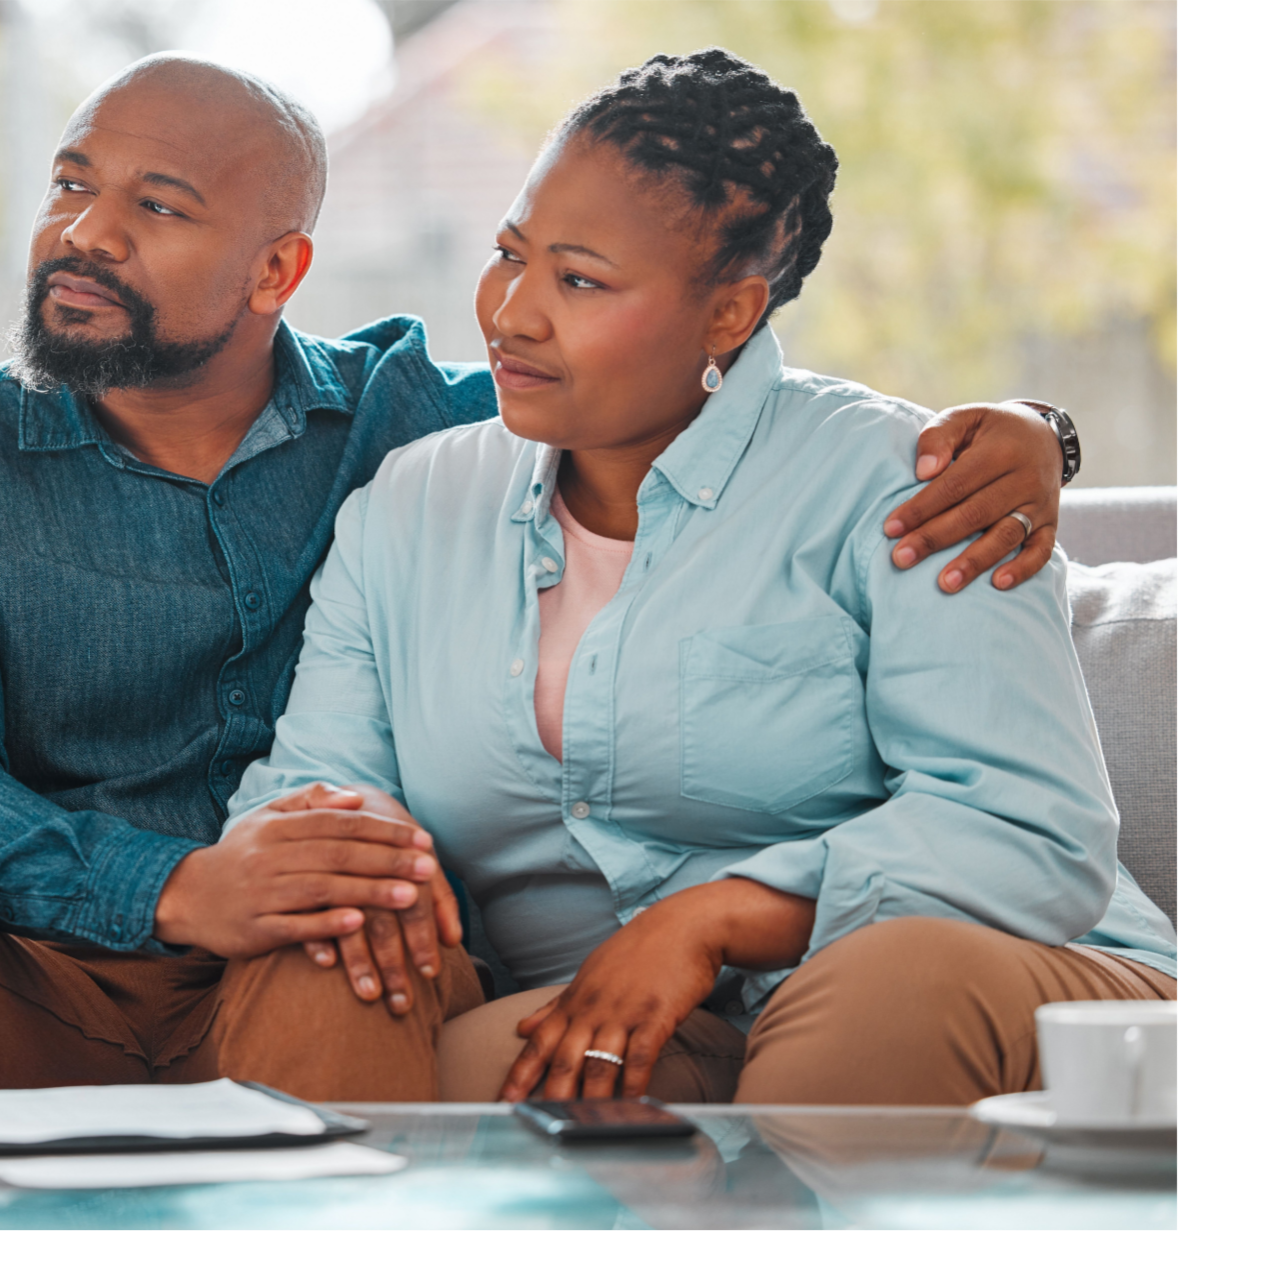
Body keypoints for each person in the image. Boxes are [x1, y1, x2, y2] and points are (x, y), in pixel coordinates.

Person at [0, 54, 1083, 1100]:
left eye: (155, 206)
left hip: (322, 970)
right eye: (72, 186)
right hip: (46, 957)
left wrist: (1033, 434)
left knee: (345, 919)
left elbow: (677, 376)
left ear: (278, 270)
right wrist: (175, 885)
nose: (85, 233)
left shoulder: (413, 433)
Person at [226, 49, 1177, 1104]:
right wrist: (359, 852)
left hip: (995, 984)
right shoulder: (410, 507)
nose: (513, 311)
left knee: (876, 992)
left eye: (580, 279)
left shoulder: (912, 484)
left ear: (730, 313)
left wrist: (719, 912)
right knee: (476, 1062)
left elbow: (1028, 828)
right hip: (635, 1014)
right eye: (511, 253)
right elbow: (315, 779)